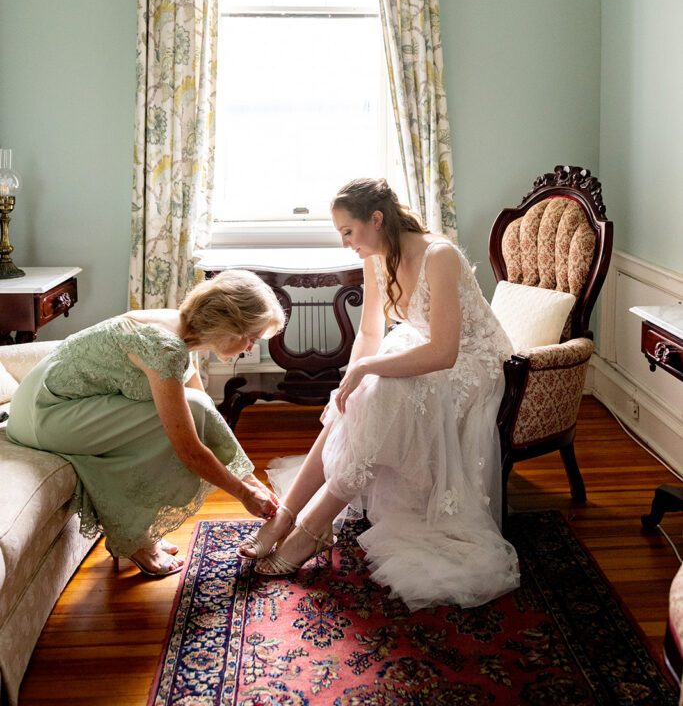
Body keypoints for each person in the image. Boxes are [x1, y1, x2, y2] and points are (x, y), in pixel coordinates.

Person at [239, 178, 520, 611]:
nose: (346, 243)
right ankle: (285, 517)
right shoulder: (377, 256)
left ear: (376, 219)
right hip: (425, 350)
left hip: (473, 364)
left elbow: (445, 352)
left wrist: (369, 370)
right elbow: (370, 333)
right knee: (356, 397)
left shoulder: (439, 254)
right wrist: (349, 381)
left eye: (348, 232)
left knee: (382, 390)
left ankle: (315, 526)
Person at [7, 270, 284, 578]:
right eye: (251, 338)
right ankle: (135, 538)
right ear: (229, 325)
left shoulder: (180, 327)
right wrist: (244, 494)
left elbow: (207, 417)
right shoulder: (165, 347)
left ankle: (136, 529)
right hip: (44, 414)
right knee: (185, 416)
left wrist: (251, 480)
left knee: (195, 408)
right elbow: (189, 449)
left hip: (43, 403)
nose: (249, 348)